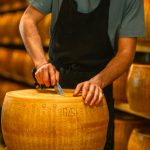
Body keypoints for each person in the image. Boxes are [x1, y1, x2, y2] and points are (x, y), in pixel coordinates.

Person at [19, 0, 145, 149]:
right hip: (55, 86)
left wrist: (98, 81)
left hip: (97, 93)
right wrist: (41, 63)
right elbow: (27, 20)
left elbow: (126, 52)